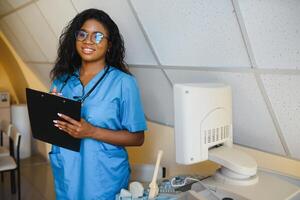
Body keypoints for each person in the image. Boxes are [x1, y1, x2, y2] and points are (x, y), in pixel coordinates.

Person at [49, 8, 147, 200]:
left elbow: (138, 138)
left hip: (103, 177)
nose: (88, 40)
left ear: (109, 44)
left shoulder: (124, 83)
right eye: (83, 34)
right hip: (67, 171)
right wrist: (50, 112)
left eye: (98, 36)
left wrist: (91, 131)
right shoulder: (61, 81)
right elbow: (52, 127)